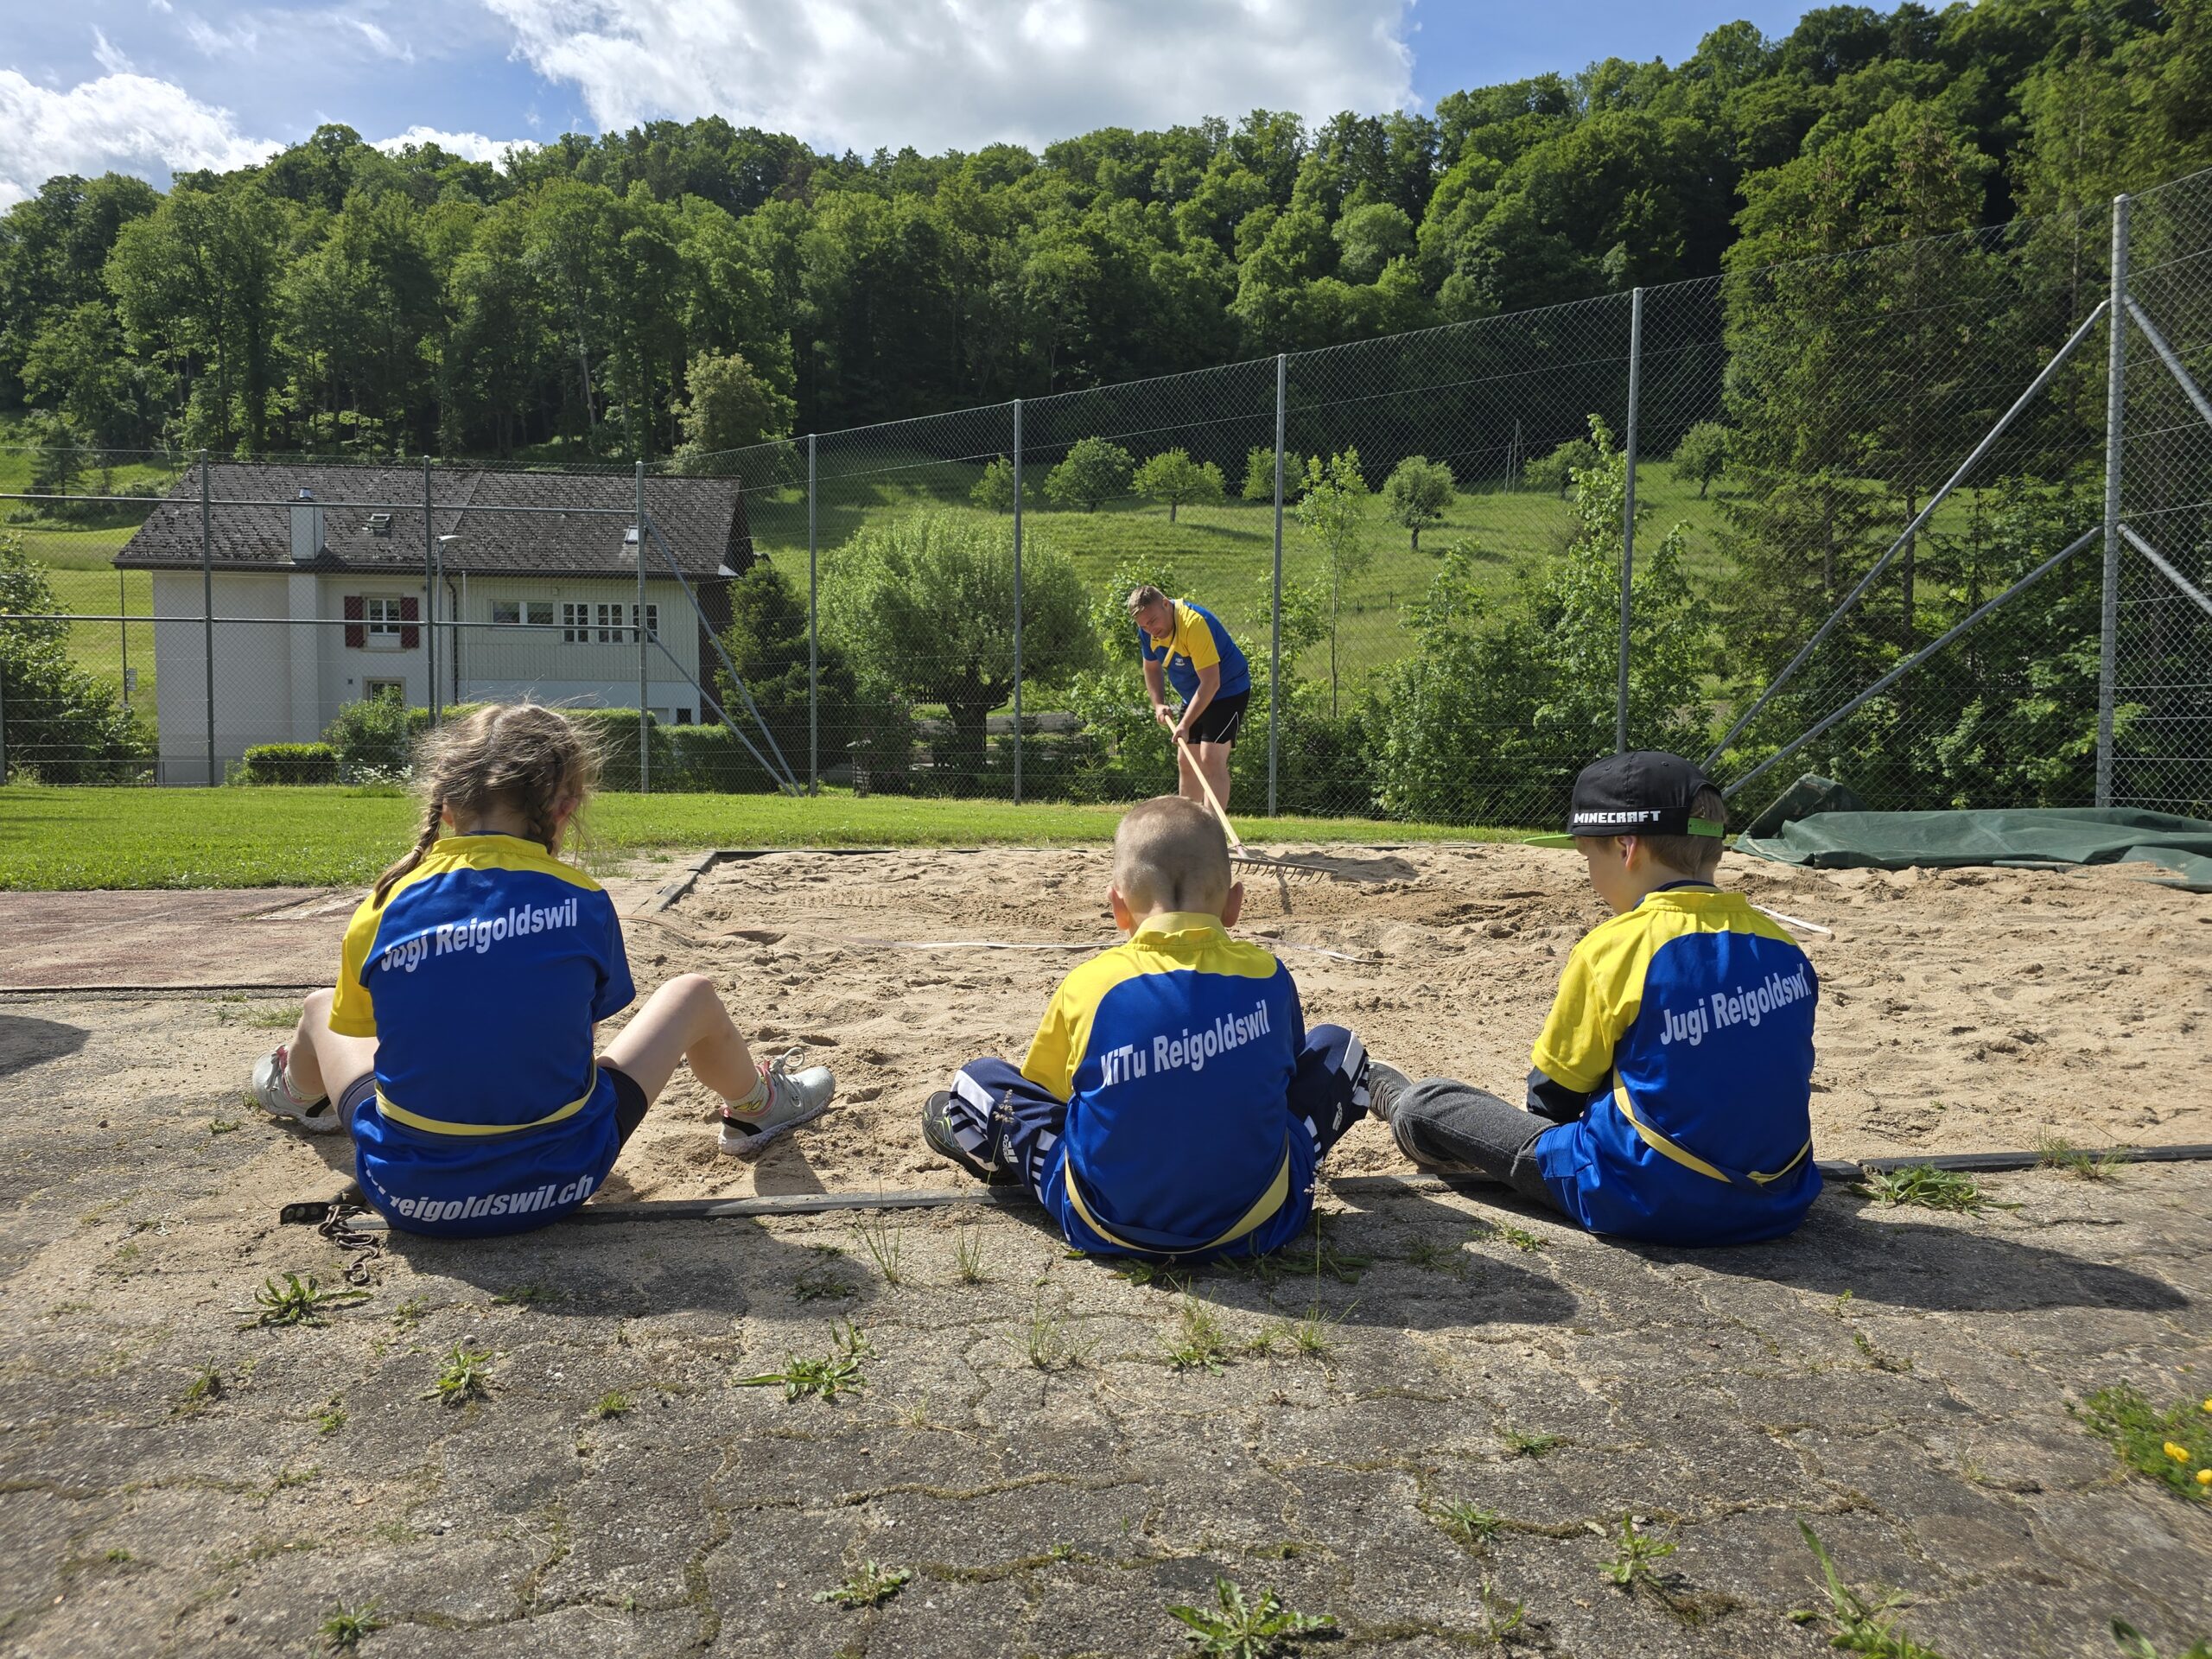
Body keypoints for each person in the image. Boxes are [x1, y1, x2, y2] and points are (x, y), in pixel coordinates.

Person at [245, 702, 836, 1237]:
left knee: (322, 1009)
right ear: (565, 808)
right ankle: (756, 1108)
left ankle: (298, 1095)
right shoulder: (582, 899)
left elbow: (376, 1033)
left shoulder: (384, 905)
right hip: (563, 1181)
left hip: (409, 1194)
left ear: (444, 804)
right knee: (692, 994)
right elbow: (575, 1045)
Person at [1370, 751, 1821, 1247]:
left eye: (1589, 856)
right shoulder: (1785, 946)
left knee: (1429, 1103)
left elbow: (1552, 1098)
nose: (1589, 872)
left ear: (1627, 848)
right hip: (1780, 1200)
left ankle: (1403, 1113)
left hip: (1643, 1198)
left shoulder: (1615, 947)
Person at [919, 796, 1371, 1261]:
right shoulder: (1270, 975)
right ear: (1235, 904)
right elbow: (1288, 1078)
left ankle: (1003, 1162)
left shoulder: (1089, 985)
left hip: (1105, 1223)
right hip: (1263, 1219)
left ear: (1117, 905)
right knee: (1342, 1048)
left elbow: (1049, 1096)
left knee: (976, 1081)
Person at [1127, 585, 1251, 810]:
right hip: (1195, 693)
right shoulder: (1147, 631)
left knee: (1210, 757)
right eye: (1144, 625)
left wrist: (1184, 724)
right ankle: (1188, 826)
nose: (1150, 629)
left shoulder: (1193, 624)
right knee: (1186, 760)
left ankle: (1212, 827)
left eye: (1153, 621)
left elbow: (1211, 682)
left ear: (1166, 604)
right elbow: (1151, 668)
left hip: (1227, 689)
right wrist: (1158, 703)